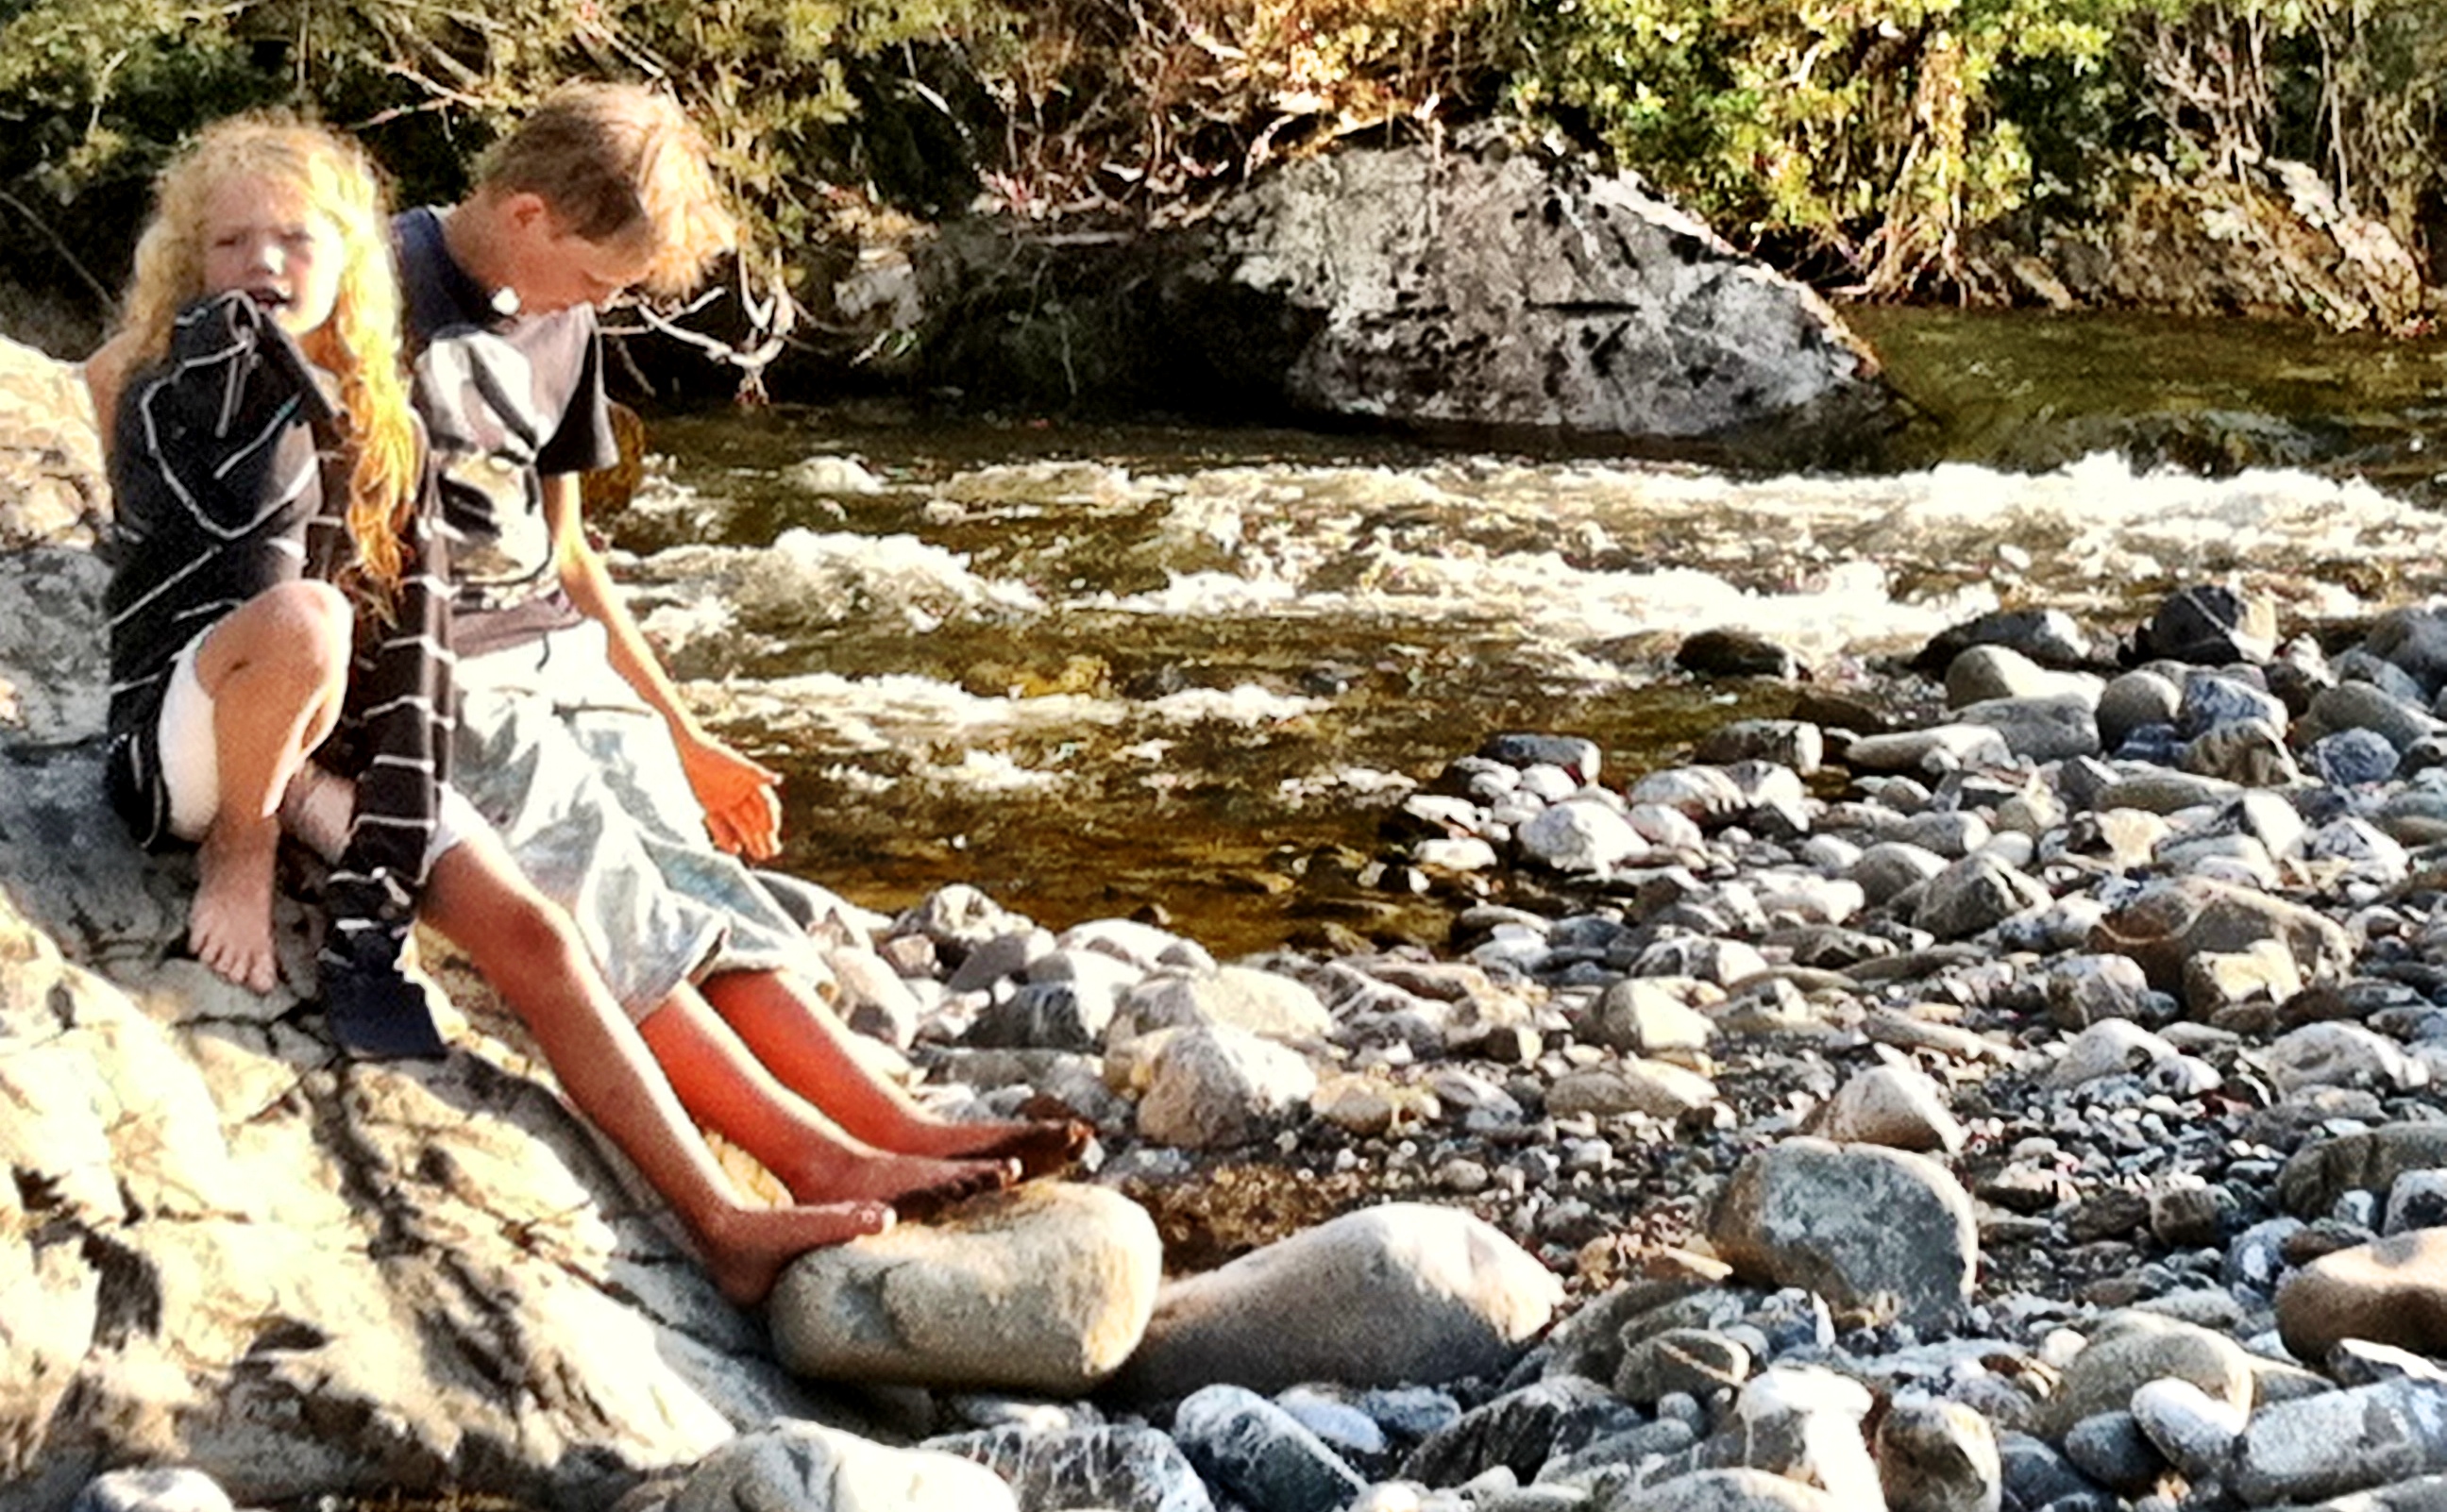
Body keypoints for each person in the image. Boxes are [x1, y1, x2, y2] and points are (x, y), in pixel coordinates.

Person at [89, 114, 901, 1303]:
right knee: (309, 623)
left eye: (295, 243)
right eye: (230, 244)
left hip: (337, 730)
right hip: (199, 725)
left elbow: (476, 580)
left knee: (536, 935)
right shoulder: (191, 359)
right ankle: (243, 852)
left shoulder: (382, 394)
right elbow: (108, 386)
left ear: (347, 260)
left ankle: (725, 1220)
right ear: (191, 260)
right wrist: (145, 530)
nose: (263, 266)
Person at [394, 82, 1088, 1198]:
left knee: (698, 878)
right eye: (598, 279)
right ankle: (820, 1160)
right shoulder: (377, 292)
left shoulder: (565, 314)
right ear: (528, 214)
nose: (598, 307)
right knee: (614, 898)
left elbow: (569, 559)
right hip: (446, 670)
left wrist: (690, 739)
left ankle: (897, 1124)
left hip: (557, 651)